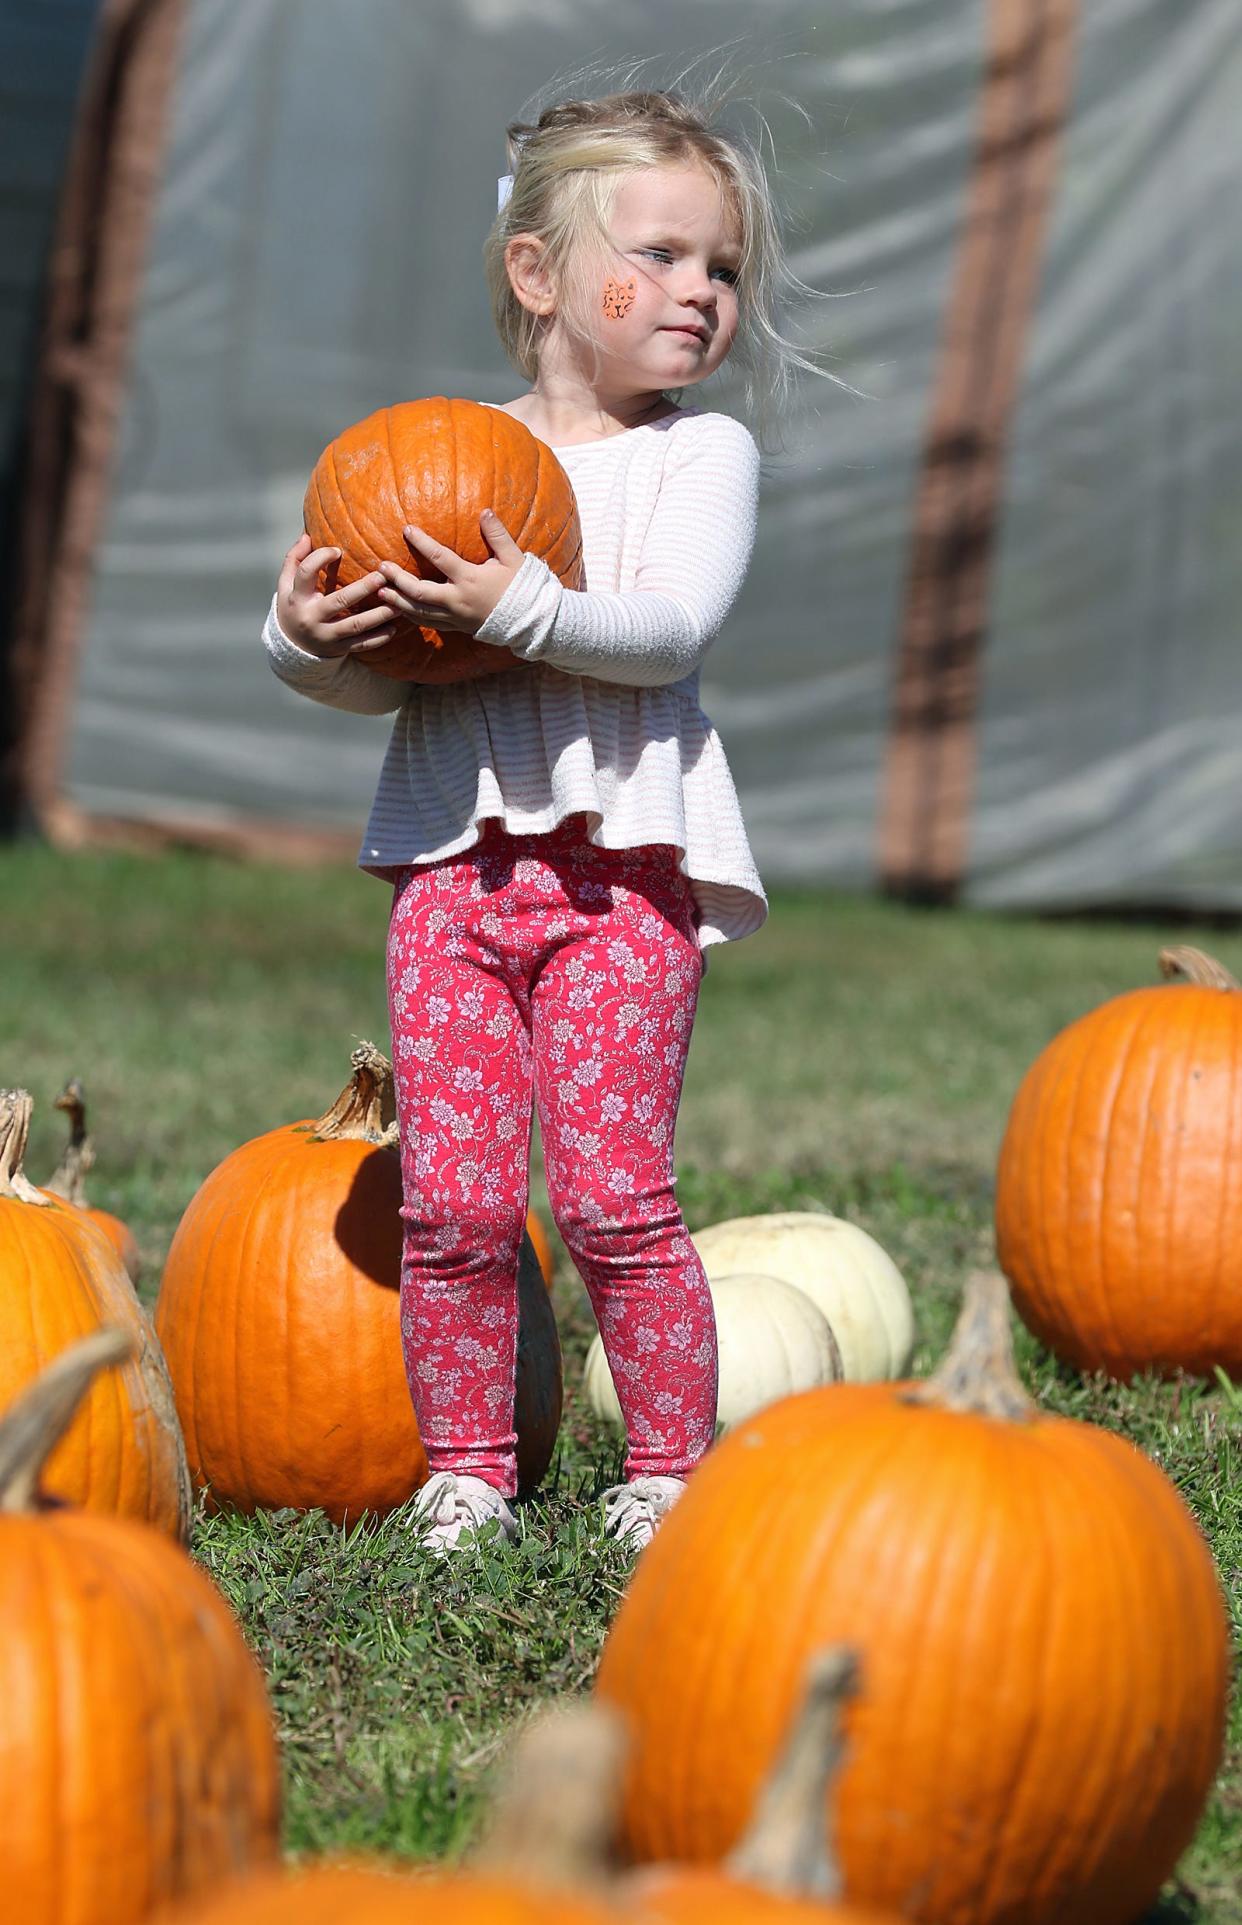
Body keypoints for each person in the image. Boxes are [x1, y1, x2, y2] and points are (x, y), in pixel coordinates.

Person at [262, 84, 821, 1555]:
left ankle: (671, 1473)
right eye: (664, 256)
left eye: (722, 270)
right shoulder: (435, 460)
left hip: (624, 877)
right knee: (450, 1202)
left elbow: (663, 626)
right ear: (539, 274)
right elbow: (384, 689)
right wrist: (309, 632)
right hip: (452, 872)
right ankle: (469, 1468)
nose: (699, 293)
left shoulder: (697, 459)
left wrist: (509, 601)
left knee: (612, 1194)